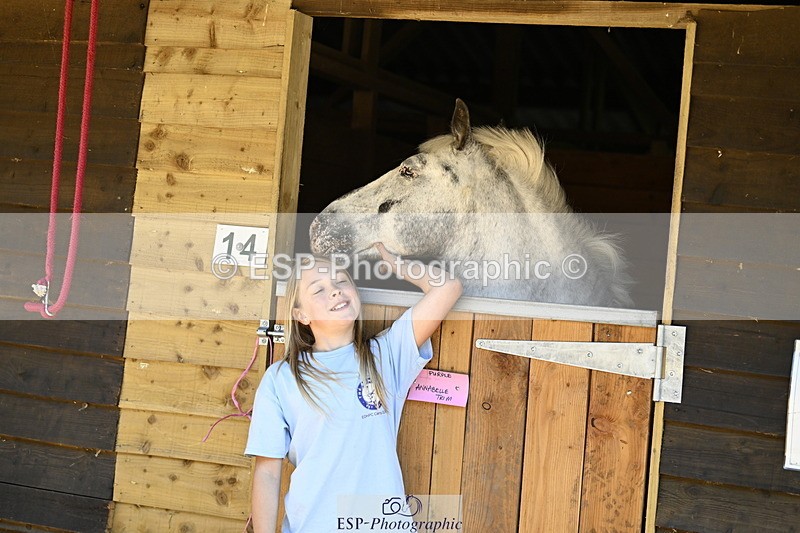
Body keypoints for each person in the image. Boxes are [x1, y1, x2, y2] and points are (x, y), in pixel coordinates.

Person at [246, 243, 463, 533]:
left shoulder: (385, 356)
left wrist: (396, 264)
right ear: (301, 315)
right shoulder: (281, 379)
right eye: (318, 289)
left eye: (341, 281)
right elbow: (268, 473)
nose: (335, 290)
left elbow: (448, 287)